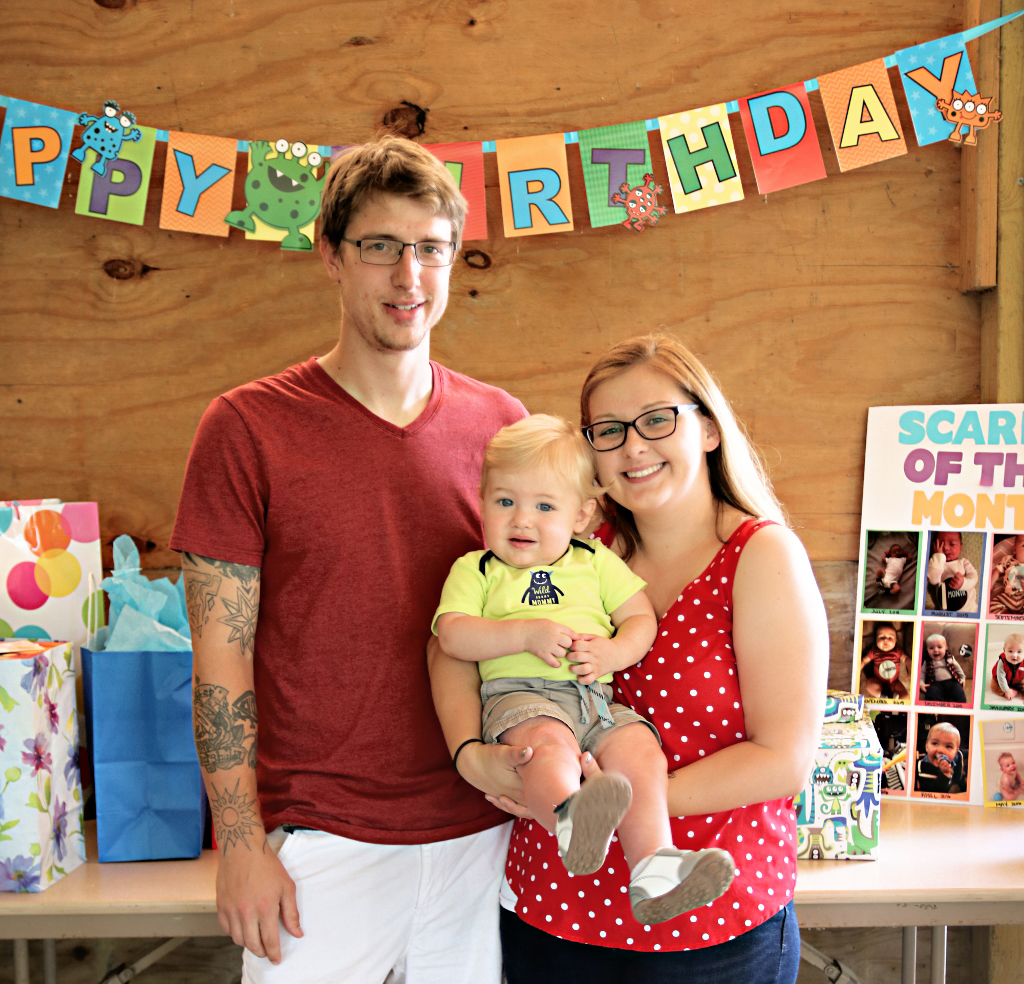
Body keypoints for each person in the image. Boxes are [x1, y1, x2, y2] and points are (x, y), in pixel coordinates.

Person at [170, 135, 529, 984]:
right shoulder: (247, 428)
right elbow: (221, 657)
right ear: (331, 256)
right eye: (380, 247)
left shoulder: (503, 426)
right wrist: (243, 841)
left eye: (430, 248)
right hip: (321, 849)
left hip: (481, 830)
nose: (410, 276)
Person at [429, 334, 829, 983]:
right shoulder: (574, 542)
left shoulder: (760, 556)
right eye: (608, 431)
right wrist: (472, 758)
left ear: (706, 428)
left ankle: (658, 869)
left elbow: (784, 760)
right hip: (552, 913)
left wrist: (624, 807)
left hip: (708, 936)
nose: (633, 447)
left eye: (657, 420)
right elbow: (447, 643)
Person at [433, 415, 735, 924]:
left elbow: (639, 618)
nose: (521, 520)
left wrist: (614, 654)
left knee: (643, 754)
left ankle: (655, 872)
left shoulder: (594, 560)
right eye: (504, 501)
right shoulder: (478, 568)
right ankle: (572, 824)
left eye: (544, 506)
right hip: (520, 696)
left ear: (581, 516)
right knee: (547, 749)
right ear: (481, 502)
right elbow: (452, 635)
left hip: (597, 700)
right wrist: (523, 634)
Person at [926, 531, 978, 612]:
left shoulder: (963, 562)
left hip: (971, 611)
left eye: (952, 544)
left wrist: (963, 583)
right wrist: (938, 556)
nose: (946, 547)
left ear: (960, 547)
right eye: (941, 544)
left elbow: (974, 578)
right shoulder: (936, 564)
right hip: (946, 614)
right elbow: (933, 580)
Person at [859, 624, 909, 699]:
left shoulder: (897, 652)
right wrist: (857, 670)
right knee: (869, 684)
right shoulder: (874, 652)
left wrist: (911, 669)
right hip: (878, 681)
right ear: (876, 640)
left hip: (894, 682)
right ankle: (884, 695)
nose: (886, 640)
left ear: (896, 640)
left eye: (890, 638)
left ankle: (892, 697)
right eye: (882, 638)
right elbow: (864, 661)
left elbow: (907, 660)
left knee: (905, 696)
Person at [914, 721, 965, 794]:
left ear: (956, 751)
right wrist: (945, 774)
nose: (941, 750)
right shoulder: (921, 768)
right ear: (927, 746)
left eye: (948, 746)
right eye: (935, 743)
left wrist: (956, 780)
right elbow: (934, 792)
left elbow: (958, 770)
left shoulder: (958, 756)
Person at [918, 632, 968, 705]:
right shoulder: (927, 662)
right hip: (935, 684)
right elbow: (922, 673)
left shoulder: (950, 658)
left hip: (952, 682)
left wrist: (963, 678)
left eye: (939, 647)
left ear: (946, 648)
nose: (935, 650)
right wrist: (921, 684)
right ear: (927, 649)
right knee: (931, 694)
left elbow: (958, 668)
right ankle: (935, 711)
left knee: (959, 693)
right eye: (931, 648)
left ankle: (956, 711)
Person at [991, 632, 1024, 701]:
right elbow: (1001, 677)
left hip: (1018, 680)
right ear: (1004, 650)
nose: (1014, 655)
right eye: (1010, 651)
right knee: (994, 687)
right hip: (1002, 681)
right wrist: (1006, 690)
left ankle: (1017, 690)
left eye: (1019, 652)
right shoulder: (1002, 662)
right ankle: (1012, 692)